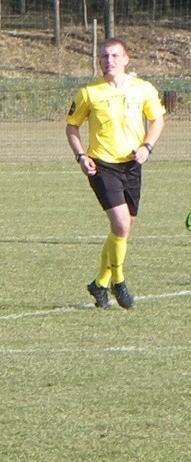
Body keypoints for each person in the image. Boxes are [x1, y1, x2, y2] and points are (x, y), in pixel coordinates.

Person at [66, 37, 165, 309]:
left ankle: (99, 283)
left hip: (132, 164)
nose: (108, 61)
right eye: (103, 57)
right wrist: (81, 156)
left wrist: (147, 147)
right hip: (102, 165)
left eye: (113, 56)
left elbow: (157, 120)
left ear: (126, 59)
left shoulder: (142, 89)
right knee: (121, 224)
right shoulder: (89, 93)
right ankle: (118, 281)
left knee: (124, 229)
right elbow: (72, 126)